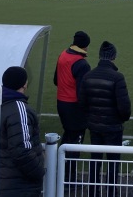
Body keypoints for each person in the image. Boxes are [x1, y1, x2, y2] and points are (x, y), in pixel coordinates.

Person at [79, 41, 131, 197]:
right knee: (113, 162)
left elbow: (82, 103)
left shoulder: (88, 76)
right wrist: (120, 119)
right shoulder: (117, 77)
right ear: (113, 57)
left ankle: (93, 192)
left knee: (95, 160)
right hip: (113, 127)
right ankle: (111, 193)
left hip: (95, 126)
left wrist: (91, 118)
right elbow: (124, 107)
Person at [0, 66, 45, 197]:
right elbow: (22, 151)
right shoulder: (19, 108)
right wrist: (39, 171)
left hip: (3, 182)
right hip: (20, 185)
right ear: (24, 84)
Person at [54, 31, 92, 184]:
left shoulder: (63, 54)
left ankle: (60, 173)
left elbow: (56, 80)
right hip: (74, 106)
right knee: (75, 143)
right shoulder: (81, 63)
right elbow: (82, 91)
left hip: (61, 103)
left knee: (67, 138)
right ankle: (69, 179)